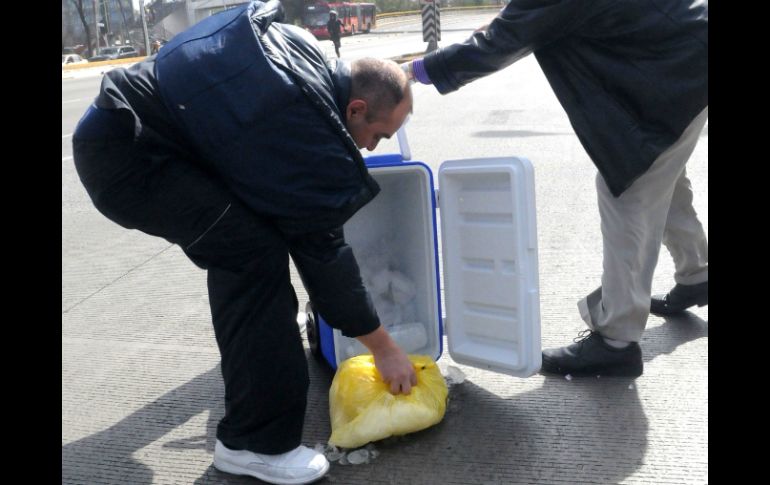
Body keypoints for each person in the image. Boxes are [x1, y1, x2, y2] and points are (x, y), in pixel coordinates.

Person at [71, 1, 415, 484]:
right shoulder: (310, 124)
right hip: (130, 160)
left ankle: (257, 364)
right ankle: (253, 445)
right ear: (355, 108)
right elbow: (324, 254)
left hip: (126, 129)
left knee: (251, 245)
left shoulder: (303, 51)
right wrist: (383, 347)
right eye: (377, 134)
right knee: (254, 257)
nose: (372, 148)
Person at [401, 0, 708, 378]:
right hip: (685, 53)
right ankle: (698, 274)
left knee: (628, 188)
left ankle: (616, 340)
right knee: (660, 174)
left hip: (676, 69)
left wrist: (413, 71)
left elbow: (502, 40)